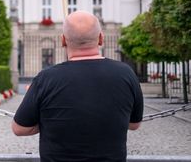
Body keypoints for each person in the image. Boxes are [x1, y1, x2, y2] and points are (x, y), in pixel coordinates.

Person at [12, 11, 144, 162]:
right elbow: (134, 124)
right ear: (101, 38)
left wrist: (48, 117)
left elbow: (19, 128)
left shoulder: (46, 78)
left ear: (63, 40)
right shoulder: (126, 73)